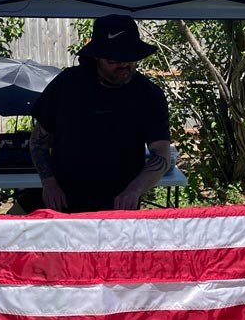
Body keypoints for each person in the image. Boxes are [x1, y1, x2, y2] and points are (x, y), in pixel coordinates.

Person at [27, 14, 171, 212]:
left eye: (129, 58)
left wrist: (134, 190)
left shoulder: (149, 95)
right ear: (97, 57)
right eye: (113, 60)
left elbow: (162, 155)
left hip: (120, 207)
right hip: (65, 203)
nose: (123, 65)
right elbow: (38, 141)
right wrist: (49, 182)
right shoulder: (67, 84)